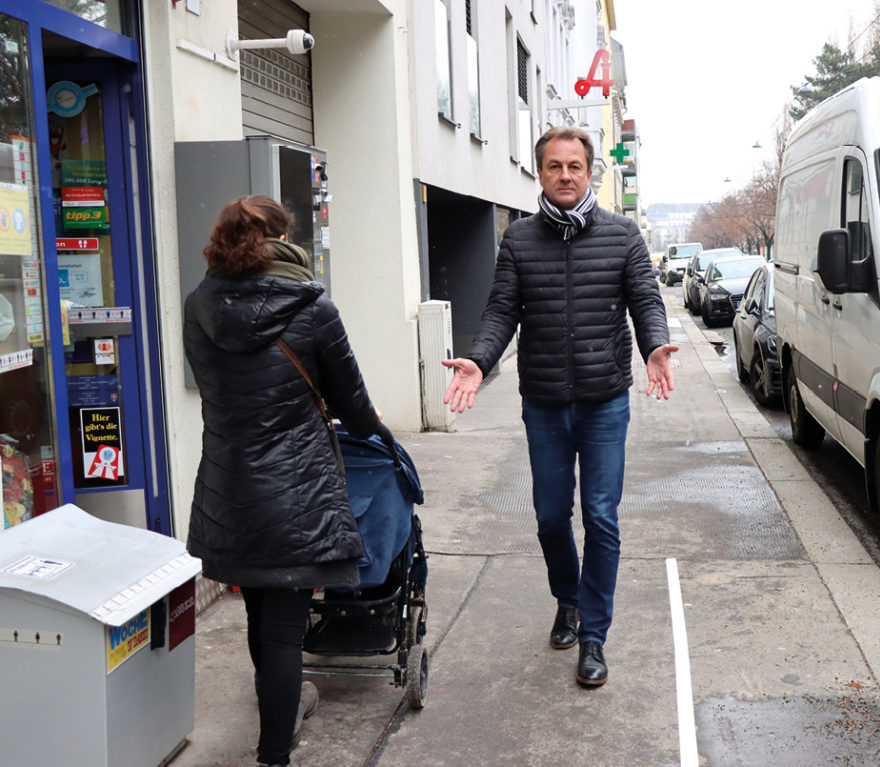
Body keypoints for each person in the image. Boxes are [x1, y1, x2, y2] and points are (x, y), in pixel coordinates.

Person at [442, 127, 677, 687]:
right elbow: (502, 309)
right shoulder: (519, 240)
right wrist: (480, 359)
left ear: (590, 171)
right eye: (555, 166)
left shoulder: (622, 236)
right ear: (541, 173)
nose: (566, 175)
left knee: (599, 516)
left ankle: (593, 634)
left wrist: (655, 347)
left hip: (604, 403)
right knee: (550, 518)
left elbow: (645, 298)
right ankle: (566, 600)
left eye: (575, 166)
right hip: (544, 403)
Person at [184, 195, 391, 767]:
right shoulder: (312, 306)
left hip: (231, 485)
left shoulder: (199, 304)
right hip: (299, 489)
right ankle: (275, 753)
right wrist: (381, 436)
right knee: (283, 632)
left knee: (259, 613)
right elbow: (352, 405)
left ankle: (282, 717)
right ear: (282, 239)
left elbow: (211, 386)